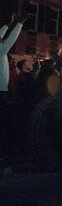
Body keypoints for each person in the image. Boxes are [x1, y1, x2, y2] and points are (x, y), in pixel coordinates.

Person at [0, 13, 26, 174]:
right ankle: (4, 164)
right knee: (4, 128)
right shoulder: (1, 50)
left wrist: (6, 25)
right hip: (1, 92)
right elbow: (9, 41)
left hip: (2, 91)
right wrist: (18, 24)